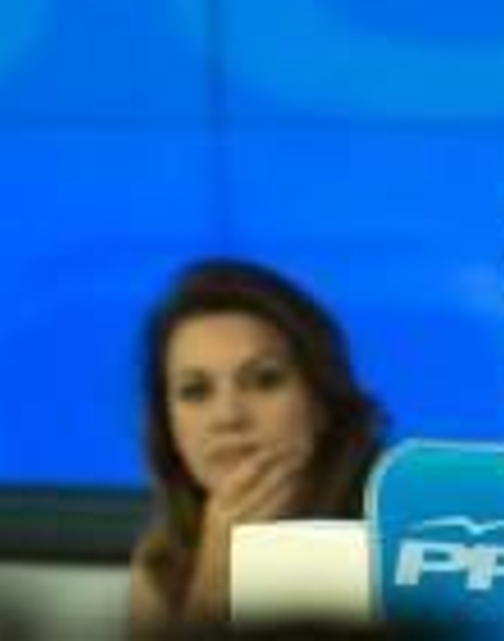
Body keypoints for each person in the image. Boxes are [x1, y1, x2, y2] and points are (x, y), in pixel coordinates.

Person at [129, 258, 387, 630]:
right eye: (195, 391)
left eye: (264, 381)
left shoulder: (400, 531)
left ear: (321, 399)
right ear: (165, 421)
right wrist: (211, 581)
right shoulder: (162, 559)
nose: (228, 416)